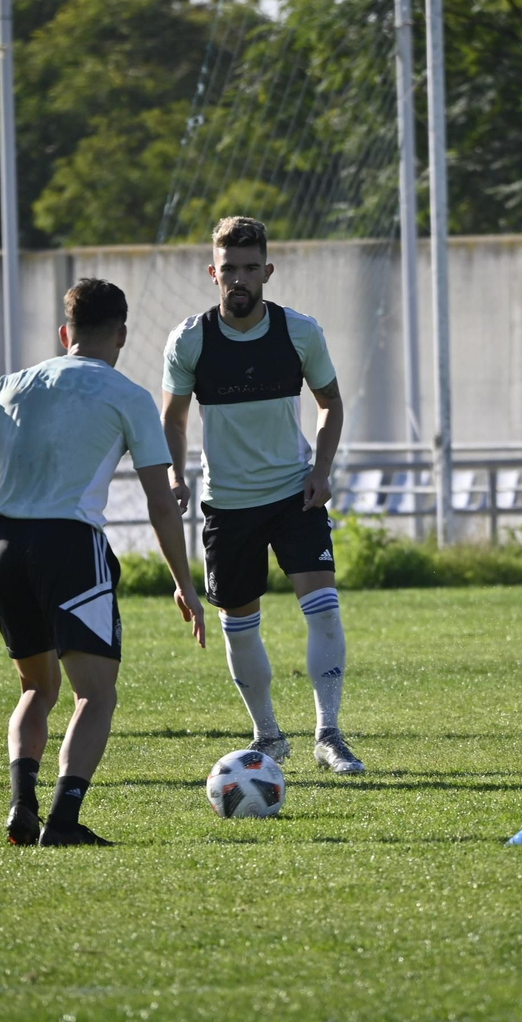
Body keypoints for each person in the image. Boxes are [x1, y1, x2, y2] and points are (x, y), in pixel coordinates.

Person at [0, 278, 205, 847]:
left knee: (36, 690)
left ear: (63, 333)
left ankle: (22, 804)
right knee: (95, 694)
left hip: (3, 550)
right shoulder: (127, 395)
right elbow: (160, 503)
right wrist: (184, 582)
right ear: (121, 334)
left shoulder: (16, 383)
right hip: (70, 548)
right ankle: (65, 820)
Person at [161, 216, 364, 774]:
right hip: (226, 503)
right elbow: (173, 420)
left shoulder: (300, 332)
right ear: (213, 273)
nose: (240, 278)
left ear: (268, 271)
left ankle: (329, 735)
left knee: (323, 609)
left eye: (251, 268)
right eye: (230, 269)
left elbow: (331, 403)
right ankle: (269, 736)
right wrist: (176, 474)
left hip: (292, 495)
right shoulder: (191, 339)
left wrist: (321, 469)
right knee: (240, 624)